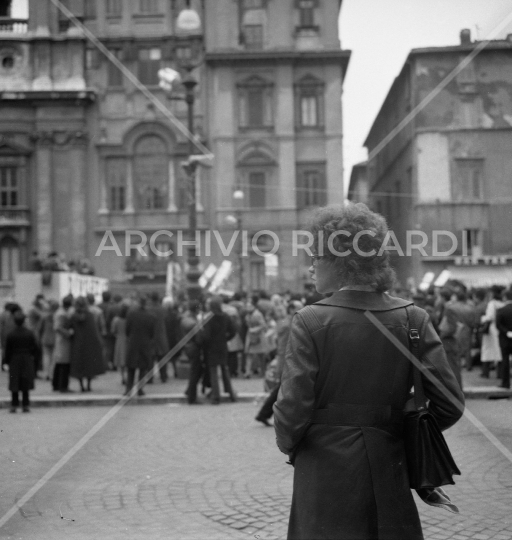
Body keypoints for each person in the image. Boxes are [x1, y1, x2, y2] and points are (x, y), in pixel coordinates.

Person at [273, 203, 464, 540]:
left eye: (316, 257)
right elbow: (449, 403)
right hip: (388, 458)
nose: (311, 267)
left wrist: (293, 446)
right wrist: (402, 433)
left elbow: (292, 408)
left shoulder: (310, 320)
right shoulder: (413, 318)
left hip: (323, 467)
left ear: (341, 261)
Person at [255, 300, 302, 426]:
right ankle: (266, 414)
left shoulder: (287, 322)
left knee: (282, 390)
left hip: (286, 359)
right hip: (287, 360)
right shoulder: (289, 324)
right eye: (298, 307)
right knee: (282, 390)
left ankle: (265, 414)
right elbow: (288, 344)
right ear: (291, 309)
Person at [202, 296, 237, 404]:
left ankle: (216, 396)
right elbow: (233, 331)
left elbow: (206, 336)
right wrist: (226, 338)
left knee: (213, 372)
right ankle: (231, 394)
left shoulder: (209, 318)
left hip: (212, 347)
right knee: (224, 370)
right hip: (222, 346)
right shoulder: (226, 316)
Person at [4, 310, 39, 413]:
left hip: (14, 359)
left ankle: (14, 405)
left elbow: (7, 350)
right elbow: (35, 348)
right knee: (25, 381)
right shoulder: (29, 333)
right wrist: (32, 357)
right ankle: (25, 404)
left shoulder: (11, 334)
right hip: (26, 358)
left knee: (14, 382)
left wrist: (6, 361)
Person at [70, 297, 106, 392]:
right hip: (89, 343)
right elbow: (94, 330)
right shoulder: (90, 315)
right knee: (89, 364)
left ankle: (81, 386)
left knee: (79, 364)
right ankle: (89, 385)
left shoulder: (73, 316)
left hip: (78, 343)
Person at [125, 296, 155, 396]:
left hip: (133, 343)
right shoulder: (150, 316)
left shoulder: (131, 314)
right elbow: (152, 333)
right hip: (145, 344)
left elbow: (127, 330)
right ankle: (140, 389)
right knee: (143, 368)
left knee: (131, 368)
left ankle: (128, 389)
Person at [480, 285, 504, 378]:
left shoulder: (491, 303)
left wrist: (482, 318)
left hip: (491, 329)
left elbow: (489, 317)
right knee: (499, 352)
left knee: (487, 351)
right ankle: (500, 374)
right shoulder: (502, 303)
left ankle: (485, 373)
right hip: (500, 329)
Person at [52, 295, 74, 392]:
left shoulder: (61, 312)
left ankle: (56, 384)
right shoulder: (62, 314)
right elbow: (58, 327)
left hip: (61, 341)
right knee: (64, 364)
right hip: (63, 341)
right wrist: (68, 333)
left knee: (59, 363)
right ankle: (63, 386)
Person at [147, 292, 170, 383]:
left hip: (150, 336)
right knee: (162, 358)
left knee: (150, 359)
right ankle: (163, 377)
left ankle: (149, 378)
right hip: (161, 335)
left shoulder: (148, 309)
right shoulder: (163, 309)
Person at [244, 295, 267, 378]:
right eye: (247, 306)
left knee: (261, 355)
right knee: (249, 355)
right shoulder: (248, 315)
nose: (247, 307)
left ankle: (263, 371)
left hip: (258, 337)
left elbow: (264, 325)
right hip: (251, 336)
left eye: (249, 306)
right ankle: (247, 372)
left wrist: (255, 329)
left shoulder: (257, 314)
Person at [495, 288, 512, 389]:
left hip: (504, 339)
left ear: (505, 297)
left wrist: (507, 332)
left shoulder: (501, 310)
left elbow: (498, 325)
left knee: (505, 361)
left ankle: (505, 383)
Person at [40, 299, 59, 380]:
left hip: (46, 337)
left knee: (46, 356)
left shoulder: (45, 316)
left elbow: (40, 328)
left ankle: (46, 374)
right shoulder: (57, 316)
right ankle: (52, 374)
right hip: (55, 338)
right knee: (54, 357)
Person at [111, 303, 129, 385]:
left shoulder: (116, 320)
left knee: (121, 360)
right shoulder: (129, 319)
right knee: (128, 359)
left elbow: (113, 330)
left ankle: (123, 377)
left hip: (119, 339)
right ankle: (128, 376)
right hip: (128, 340)